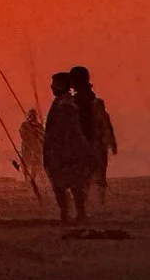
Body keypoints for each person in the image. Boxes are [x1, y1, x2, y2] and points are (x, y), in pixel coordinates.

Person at [43, 71, 93, 224]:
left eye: (54, 83)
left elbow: (72, 129)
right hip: (61, 151)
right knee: (66, 184)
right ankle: (71, 214)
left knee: (68, 184)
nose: (51, 86)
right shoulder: (62, 102)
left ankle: (73, 214)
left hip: (66, 152)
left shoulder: (66, 104)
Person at [71, 65, 115, 202]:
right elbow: (106, 123)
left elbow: (104, 123)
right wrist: (111, 141)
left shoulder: (80, 102)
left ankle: (89, 203)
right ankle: (97, 202)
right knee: (97, 175)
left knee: (87, 176)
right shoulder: (94, 101)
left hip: (88, 144)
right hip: (94, 144)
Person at [18, 107, 46, 199]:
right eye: (31, 116)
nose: (33, 117)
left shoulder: (38, 126)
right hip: (27, 148)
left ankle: (34, 180)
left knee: (35, 165)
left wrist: (38, 132)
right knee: (26, 164)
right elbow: (23, 135)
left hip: (36, 148)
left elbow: (43, 136)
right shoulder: (24, 125)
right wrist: (31, 132)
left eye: (34, 116)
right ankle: (27, 180)